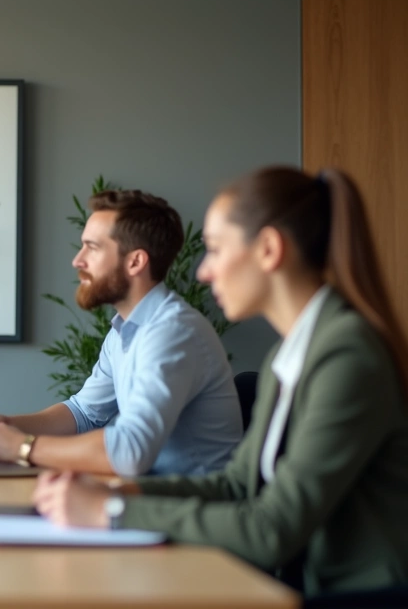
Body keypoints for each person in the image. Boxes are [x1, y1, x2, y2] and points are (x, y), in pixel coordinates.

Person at [32, 167, 408, 597]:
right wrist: (121, 491)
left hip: (359, 596)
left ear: (268, 249)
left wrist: (114, 510)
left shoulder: (346, 356)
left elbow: (271, 528)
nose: (203, 272)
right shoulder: (290, 353)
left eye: (214, 249)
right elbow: (236, 486)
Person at [0, 190, 242, 477]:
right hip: (145, 492)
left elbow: (130, 453)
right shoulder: (124, 329)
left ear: (135, 262)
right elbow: (83, 412)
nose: (78, 261)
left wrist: (22, 447)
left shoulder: (173, 332)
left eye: (92, 247)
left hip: (188, 501)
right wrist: (7, 425)